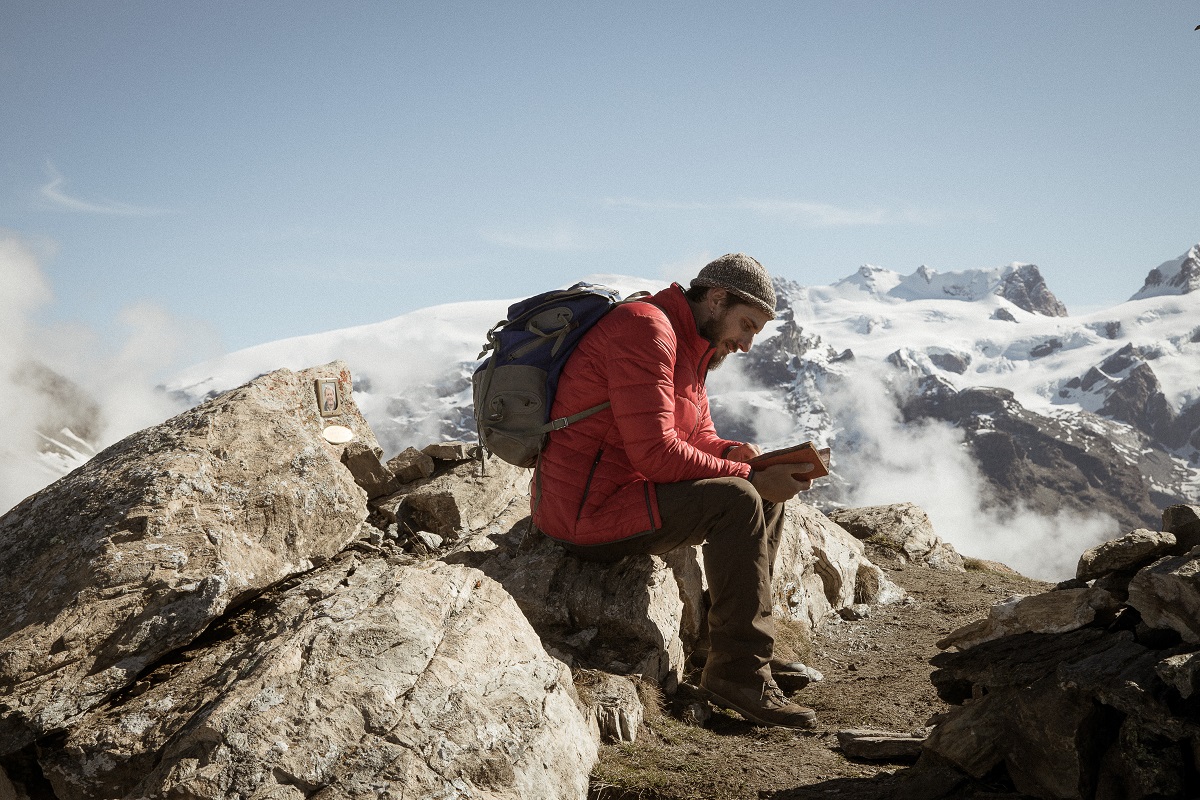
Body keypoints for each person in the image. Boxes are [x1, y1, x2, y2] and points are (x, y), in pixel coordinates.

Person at [531, 253, 817, 729]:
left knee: (762, 489)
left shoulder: (693, 343)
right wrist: (746, 477)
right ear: (717, 298)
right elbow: (657, 454)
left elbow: (695, 435)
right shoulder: (645, 329)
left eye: (755, 333)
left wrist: (739, 455)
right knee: (740, 497)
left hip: (628, 494)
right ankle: (740, 676)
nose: (746, 344)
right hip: (585, 514)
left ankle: (729, 651)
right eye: (745, 325)